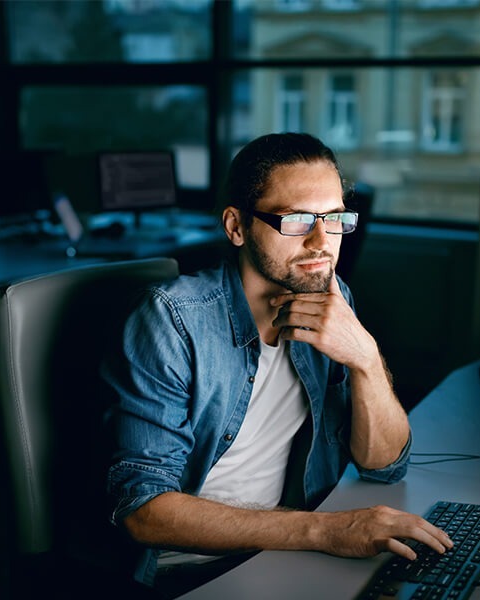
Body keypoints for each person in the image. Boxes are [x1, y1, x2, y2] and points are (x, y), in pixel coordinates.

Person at [102, 132, 452, 598]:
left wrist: (366, 358)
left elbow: (383, 465)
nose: (320, 242)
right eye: (295, 220)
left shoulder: (330, 296)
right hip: (192, 572)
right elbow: (143, 510)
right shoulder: (172, 320)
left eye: (334, 219)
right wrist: (324, 530)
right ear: (237, 227)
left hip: (286, 549)